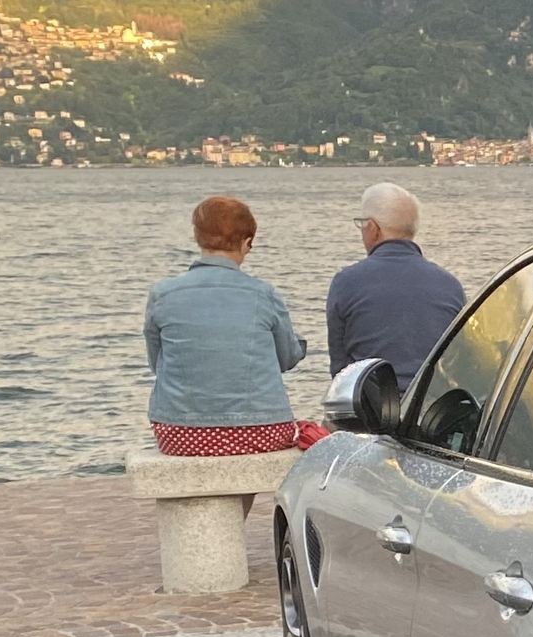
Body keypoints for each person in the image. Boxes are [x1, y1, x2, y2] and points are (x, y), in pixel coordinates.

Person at [142, 195, 317, 455]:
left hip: (180, 432)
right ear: (246, 243)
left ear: (197, 237)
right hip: (260, 429)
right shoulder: (263, 294)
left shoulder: (163, 294)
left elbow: (157, 362)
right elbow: (286, 359)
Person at [325, 182, 465, 379]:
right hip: (432, 404)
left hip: (371, 405)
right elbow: (459, 360)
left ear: (373, 228)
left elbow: (340, 369)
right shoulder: (450, 286)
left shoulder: (346, 283)